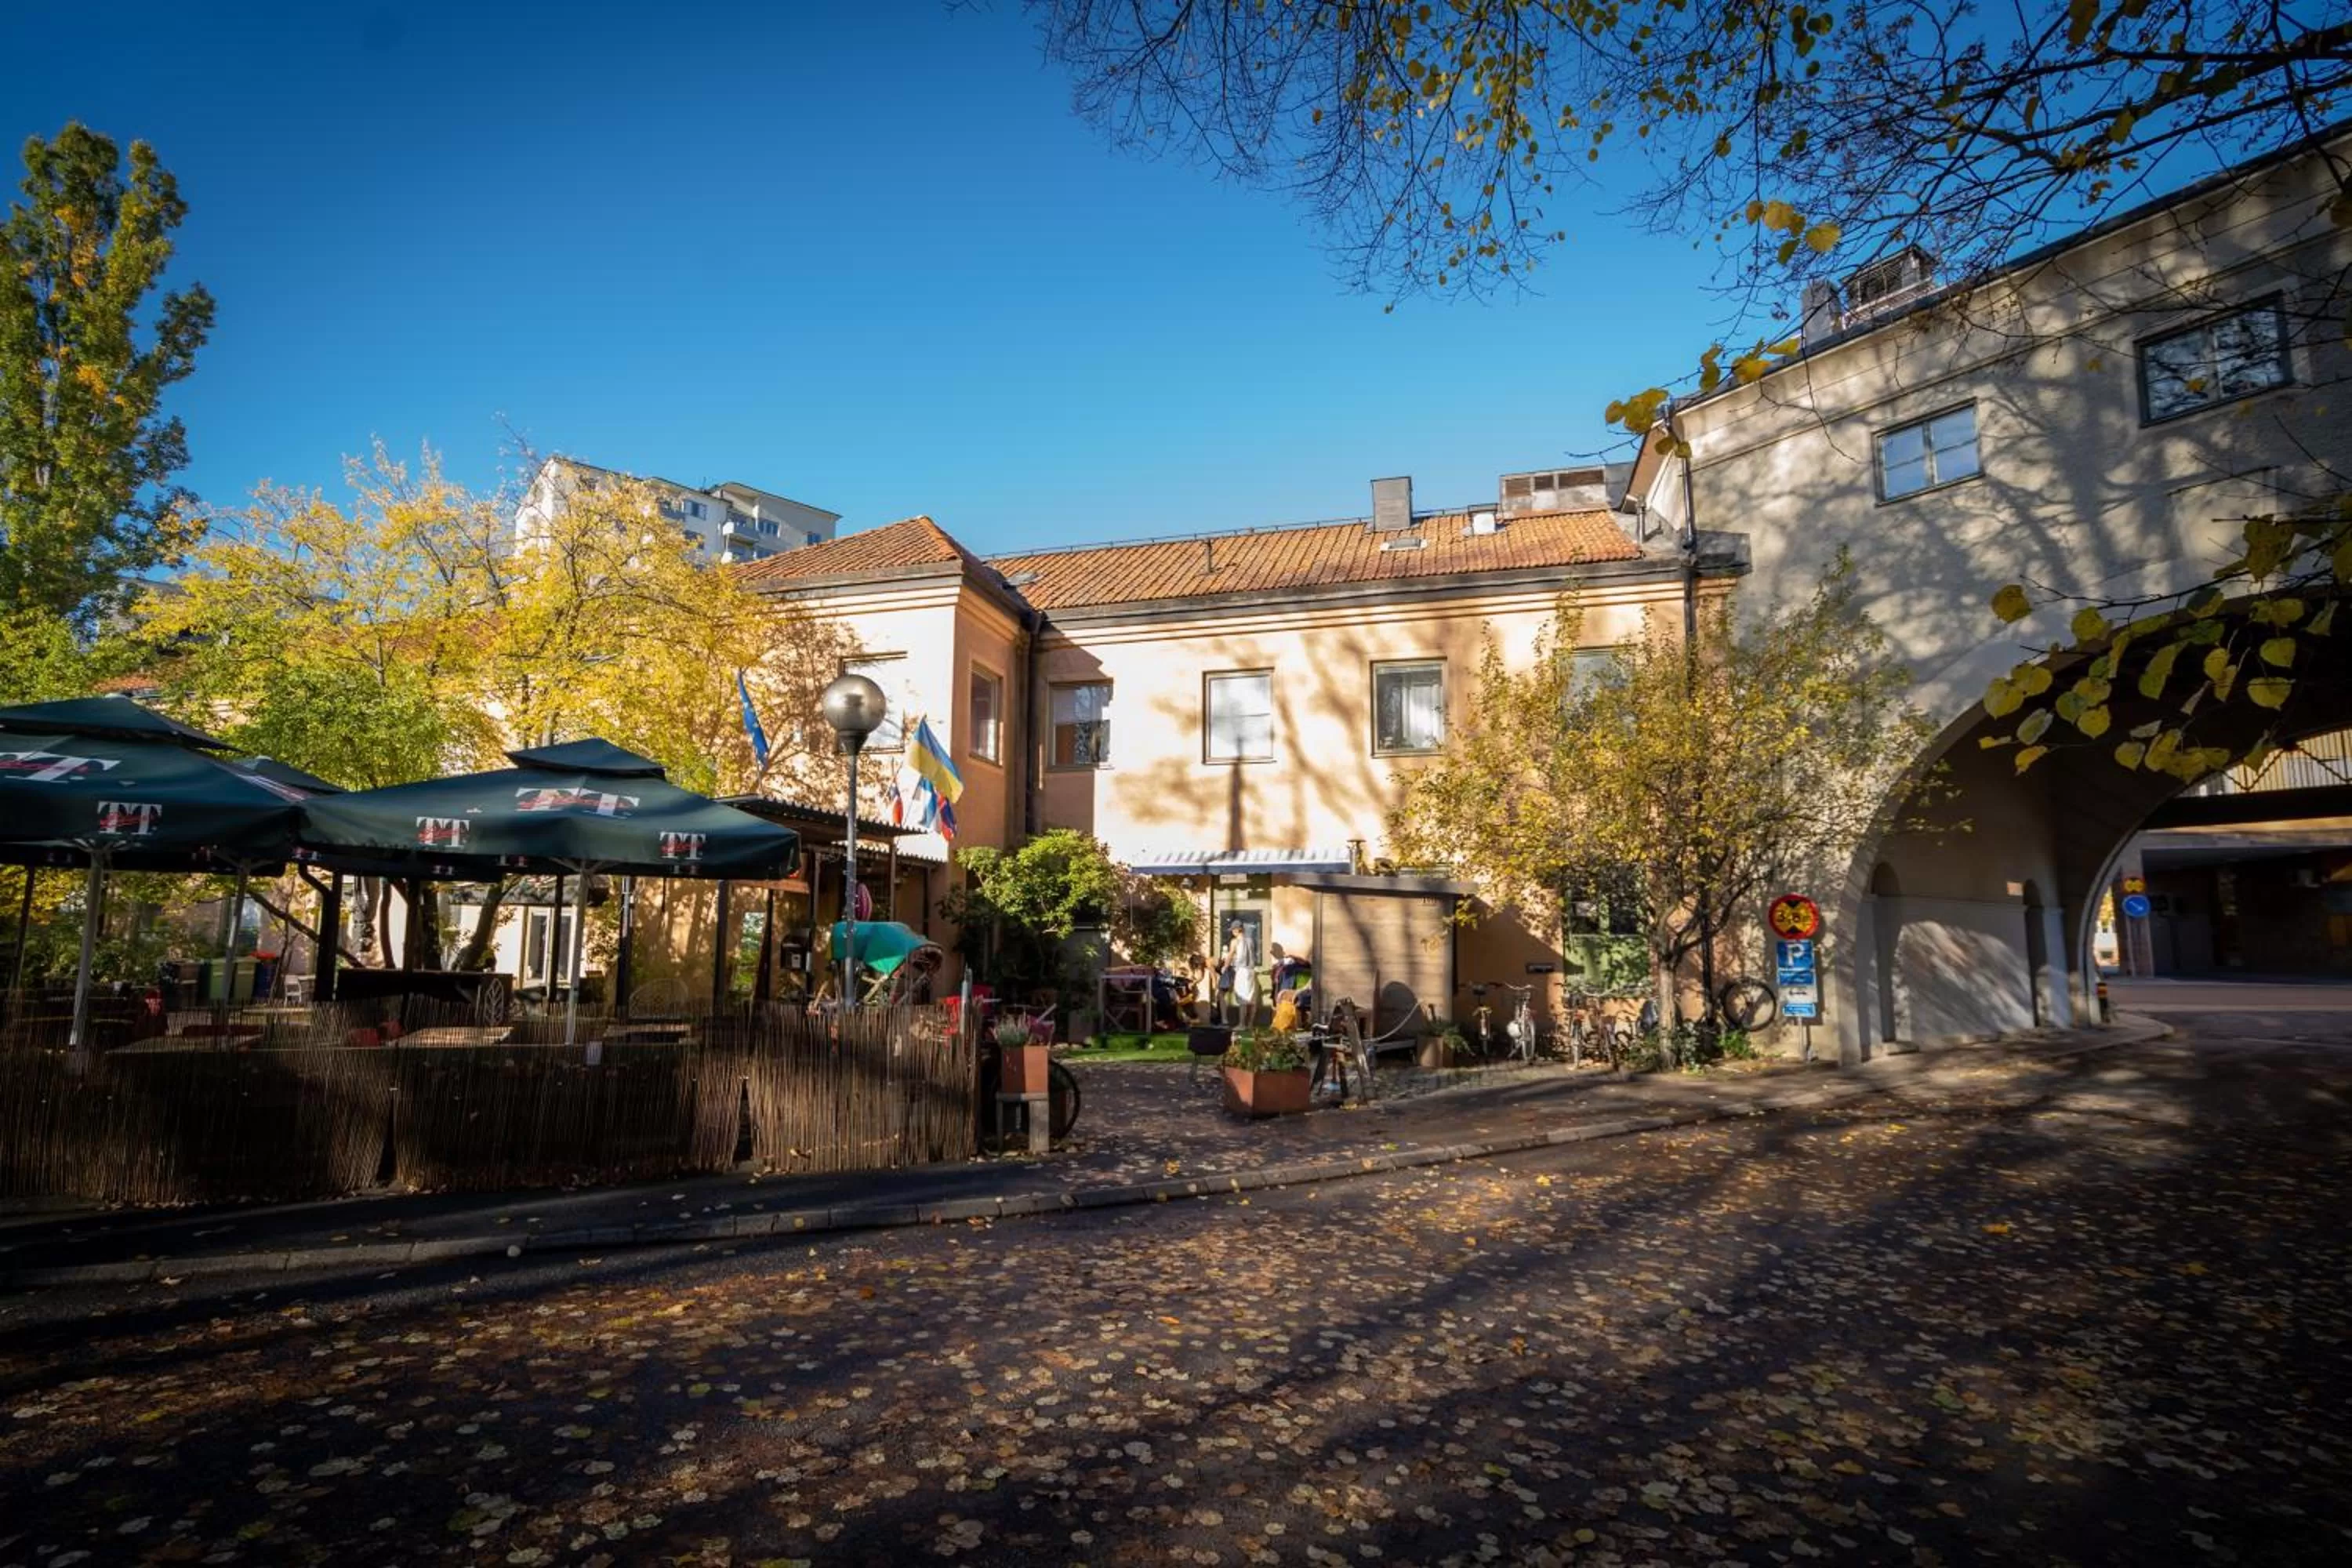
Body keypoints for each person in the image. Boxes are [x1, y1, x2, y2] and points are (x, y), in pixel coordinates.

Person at [1224, 920, 1258, 1026]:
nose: (1232, 932)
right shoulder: (1251, 940)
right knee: (1252, 998)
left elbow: (1230, 955)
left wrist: (1225, 967)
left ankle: (1242, 1024)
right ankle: (1250, 1024)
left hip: (1242, 971)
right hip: (1252, 971)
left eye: (1233, 930)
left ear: (1238, 929)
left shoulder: (1235, 941)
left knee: (1242, 998)